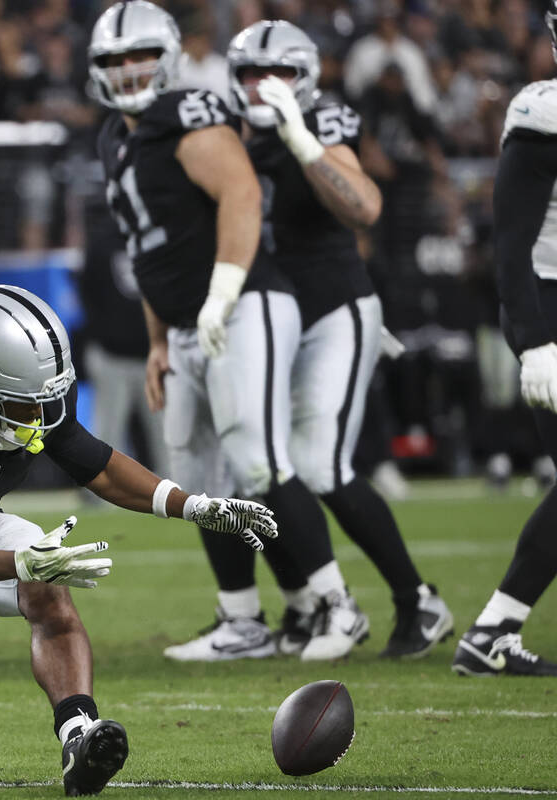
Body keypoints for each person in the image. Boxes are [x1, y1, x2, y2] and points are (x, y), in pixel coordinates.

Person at [0, 285, 277, 793]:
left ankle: (79, 735)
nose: (38, 417)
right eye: (20, 403)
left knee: (50, 586)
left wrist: (197, 506)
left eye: (42, 401)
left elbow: (98, 467)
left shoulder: (39, 394)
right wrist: (21, 562)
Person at [88, 0, 364, 662]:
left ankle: (336, 605)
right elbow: (147, 251)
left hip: (246, 305)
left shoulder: (189, 112)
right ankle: (246, 618)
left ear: (172, 57)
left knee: (260, 458)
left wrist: (221, 296)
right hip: (185, 322)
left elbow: (242, 192)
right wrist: (158, 340)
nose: (128, 71)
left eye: (141, 56)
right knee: (200, 482)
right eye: (114, 60)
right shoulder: (114, 137)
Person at [226, 20, 454, 658]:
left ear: (306, 78)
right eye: (249, 75)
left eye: (276, 75)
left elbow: (365, 207)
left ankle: (417, 599)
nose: (261, 87)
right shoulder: (229, 130)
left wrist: (300, 142)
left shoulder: (323, 120)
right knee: (256, 467)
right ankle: (305, 605)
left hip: (332, 311)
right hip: (269, 319)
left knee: (320, 464)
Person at [451, 3, 557, 677]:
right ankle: (493, 630)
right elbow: (510, 249)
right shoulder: (543, 110)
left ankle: (493, 632)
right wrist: (535, 342)